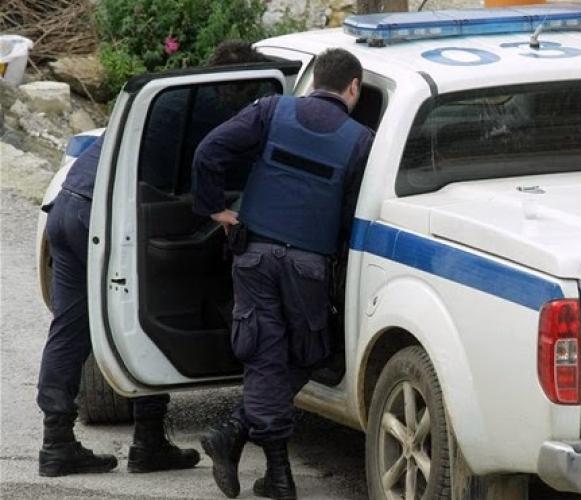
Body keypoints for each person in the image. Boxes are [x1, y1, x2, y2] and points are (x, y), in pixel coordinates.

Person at [36, 40, 269, 478]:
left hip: (68, 205)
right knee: (150, 311)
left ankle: (57, 442)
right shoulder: (215, 114)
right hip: (106, 215)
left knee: (70, 329)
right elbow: (217, 170)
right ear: (241, 86)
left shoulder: (174, 94)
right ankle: (147, 439)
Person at [193, 48, 373, 500]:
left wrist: (215, 208)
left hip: (254, 256)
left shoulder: (272, 110)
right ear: (353, 87)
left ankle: (235, 432)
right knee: (307, 353)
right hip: (309, 266)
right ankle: (277, 476)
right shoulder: (362, 141)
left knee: (267, 356)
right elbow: (352, 215)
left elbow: (209, 151)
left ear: (313, 82)